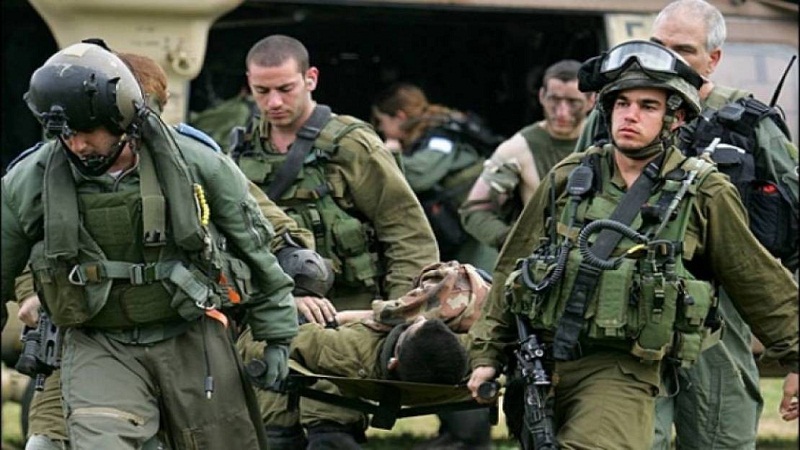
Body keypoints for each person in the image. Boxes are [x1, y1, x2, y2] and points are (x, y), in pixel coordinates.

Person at [467, 40, 799, 449]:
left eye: (648, 106)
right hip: (544, 365)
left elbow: (757, 280)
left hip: (622, 368)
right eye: (622, 103)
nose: (630, 115)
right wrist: (487, 355)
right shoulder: (569, 178)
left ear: (676, 118)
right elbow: (512, 267)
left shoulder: (703, 191)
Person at [10, 49, 318, 450]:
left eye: (87, 131)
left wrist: (277, 333)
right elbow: (14, 252)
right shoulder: (36, 179)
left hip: (188, 329)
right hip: (94, 337)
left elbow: (258, 244)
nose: (78, 145)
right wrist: (31, 293)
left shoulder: (193, 162)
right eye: (67, 134)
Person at [573, 2, 800, 448]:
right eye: (659, 46)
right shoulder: (615, 116)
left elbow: (794, 226)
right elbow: (566, 204)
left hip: (717, 317)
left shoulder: (749, 123)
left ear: (713, 59)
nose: (669, 59)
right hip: (621, 317)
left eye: (683, 50)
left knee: (721, 439)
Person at [229, 34, 439, 449]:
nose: (274, 102)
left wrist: (401, 314)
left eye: (285, 88)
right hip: (275, 313)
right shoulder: (243, 148)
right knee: (273, 433)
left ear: (310, 79)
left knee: (331, 430)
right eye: (262, 91)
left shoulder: (351, 145)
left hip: (346, 313)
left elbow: (407, 232)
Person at [459, 60, 595, 250]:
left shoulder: (608, 141)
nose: (562, 112)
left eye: (573, 102)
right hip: (546, 256)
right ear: (541, 96)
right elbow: (474, 210)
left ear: (591, 101)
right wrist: (514, 242)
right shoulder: (518, 148)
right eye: (554, 100)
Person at [371, 82, 498, 273]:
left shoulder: (441, 136)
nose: (380, 128)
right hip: (461, 227)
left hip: (477, 234)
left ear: (400, 117)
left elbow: (420, 176)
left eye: (381, 121)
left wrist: (390, 155)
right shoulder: (427, 134)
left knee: (479, 283)